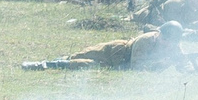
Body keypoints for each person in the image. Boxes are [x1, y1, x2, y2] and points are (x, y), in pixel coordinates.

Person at [52, 21, 189, 71]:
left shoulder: (175, 46)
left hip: (119, 64)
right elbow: (137, 67)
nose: (166, 43)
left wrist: (188, 67)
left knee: (88, 65)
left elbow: (184, 64)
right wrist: (163, 64)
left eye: (170, 41)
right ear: (159, 34)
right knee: (81, 55)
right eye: (164, 39)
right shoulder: (146, 40)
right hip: (115, 51)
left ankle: (62, 63)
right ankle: (58, 61)